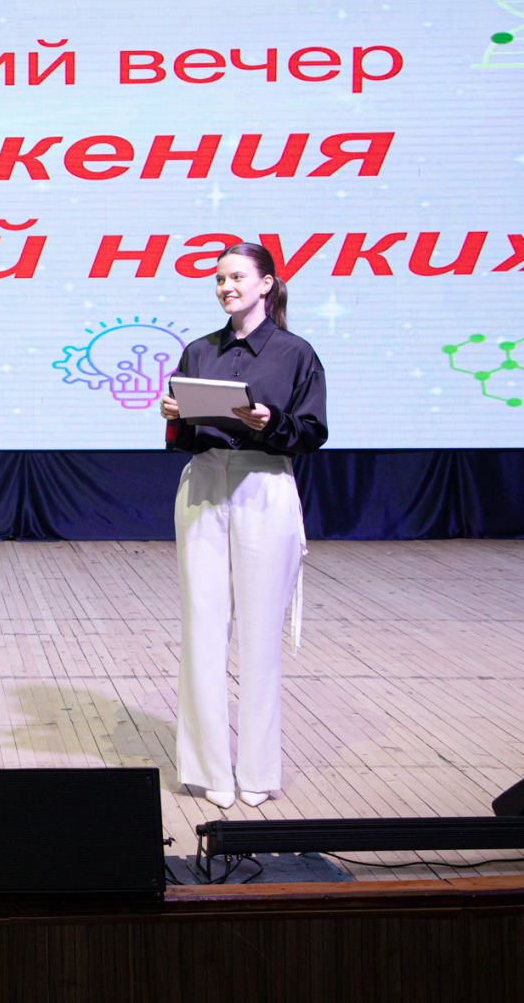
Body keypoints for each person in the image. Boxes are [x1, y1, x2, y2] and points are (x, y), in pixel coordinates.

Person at [159, 242, 326, 810]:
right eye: (219, 279)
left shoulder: (296, 353)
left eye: (236, 277)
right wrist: (174, 416)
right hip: (205, 480)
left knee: (260, 633)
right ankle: (208, 767)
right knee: (202, 627)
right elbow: (182, 437)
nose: (226, 287)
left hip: (264, 480)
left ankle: (257, 769)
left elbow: (312, 431)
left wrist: (269, 421)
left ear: (266, 284)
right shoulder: (199, 350)